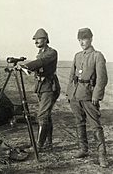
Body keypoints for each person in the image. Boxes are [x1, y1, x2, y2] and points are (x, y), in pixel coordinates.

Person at [66, 28, 108, 167]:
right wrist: (69, 93)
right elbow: (72, 76)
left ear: (91, 39)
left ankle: (102, 156)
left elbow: (102, 79)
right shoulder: (77, 56)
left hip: (89, 96)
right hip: (76, 95)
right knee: (79, 122)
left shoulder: (97, 56)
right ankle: (83, 149)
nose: (82, 42)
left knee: (95, 125)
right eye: (79, 39)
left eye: (84, 39)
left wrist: (96, 95)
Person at [22, 28, 60, 151]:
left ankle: (39, 146)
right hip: (41, 87)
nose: (36, 42)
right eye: (35, 40)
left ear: (45, 39)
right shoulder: (40, 53)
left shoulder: (51, 52)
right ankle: (48, 143)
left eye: (38, 39)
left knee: (42, 115)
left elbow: (41, 62)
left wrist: (27, 66)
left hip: (49, 87)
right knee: (46, 116)